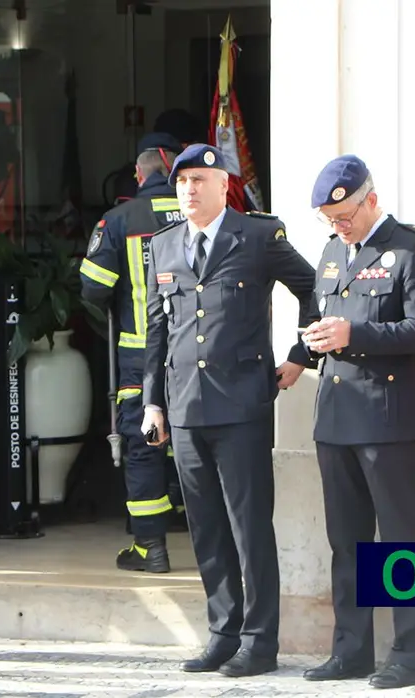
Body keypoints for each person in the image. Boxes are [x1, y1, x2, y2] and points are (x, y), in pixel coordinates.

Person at [141, 143, 316, 678]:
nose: (189, 189)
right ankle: (223, 633)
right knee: (207, 529)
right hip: (185, 407)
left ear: (224, 187)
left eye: (199, 180)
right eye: (182, 182)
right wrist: (153, 401)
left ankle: (260, 642)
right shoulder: (164, 245)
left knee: (248, 527)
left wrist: (300, 356)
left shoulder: (259, 236)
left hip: (242, 405)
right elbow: (156, 329)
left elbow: (314, 287)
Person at [298, 155, 415, 690]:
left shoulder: (413, 250)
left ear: (371, 199)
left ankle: (411, 656)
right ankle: (351, 650)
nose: (339, 226)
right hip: (335, 416)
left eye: (346, 215)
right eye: (330, 219)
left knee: (402, 540)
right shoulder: (333, 251)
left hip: (388, 419)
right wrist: (307, 345)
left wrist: (352, 336)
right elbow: (321, 314)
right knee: (347, 542)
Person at [81, 131, 187, 573]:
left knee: (145, 445)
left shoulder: (119, 220)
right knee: (200, 443)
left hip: (139, 357)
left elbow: (93, 289)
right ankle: (217, 544)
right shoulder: (208, 215)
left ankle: (151, 547)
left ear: (140, 173)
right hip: (199, 355)